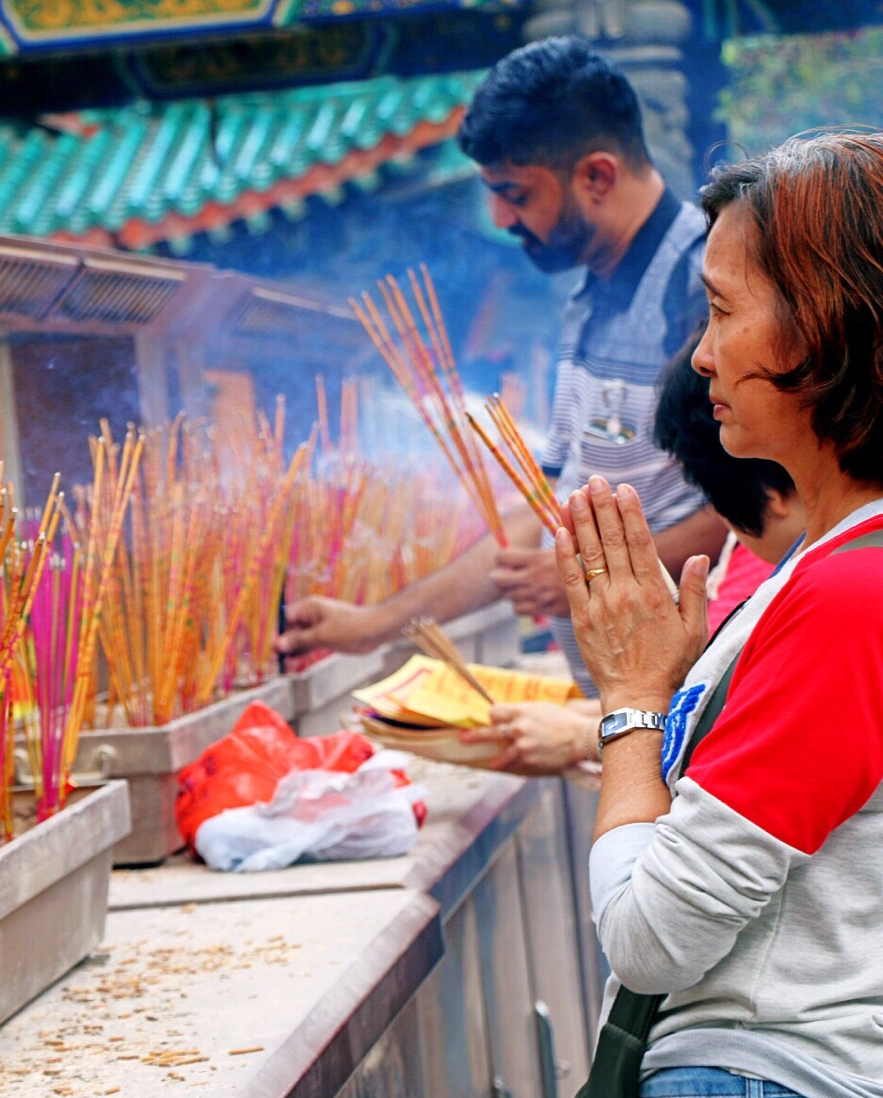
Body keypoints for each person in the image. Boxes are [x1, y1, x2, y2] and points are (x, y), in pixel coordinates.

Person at [563, 132, 883, 1098]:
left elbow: (651, 936)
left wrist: (630, 698)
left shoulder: (860, 593)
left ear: (829, 325)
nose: (700, 354)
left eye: (719, 310)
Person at [275, 37, 725, 688]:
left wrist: (589, 577)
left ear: (597, 175)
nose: (499, 216)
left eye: (514, 192)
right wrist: (375, 623)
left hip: (702, 700)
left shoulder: (705, 284)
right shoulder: (589, 295)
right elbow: (542, 518)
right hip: (628, 702)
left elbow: (768, 511)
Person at [463, 329, 803, 774]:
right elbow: (697, 705)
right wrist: (579, 721)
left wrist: (583, 734)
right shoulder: (765, 561)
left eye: (704, 493)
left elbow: (739, 740)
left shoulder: (809, 591)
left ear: (772, 491)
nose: (720, 523)